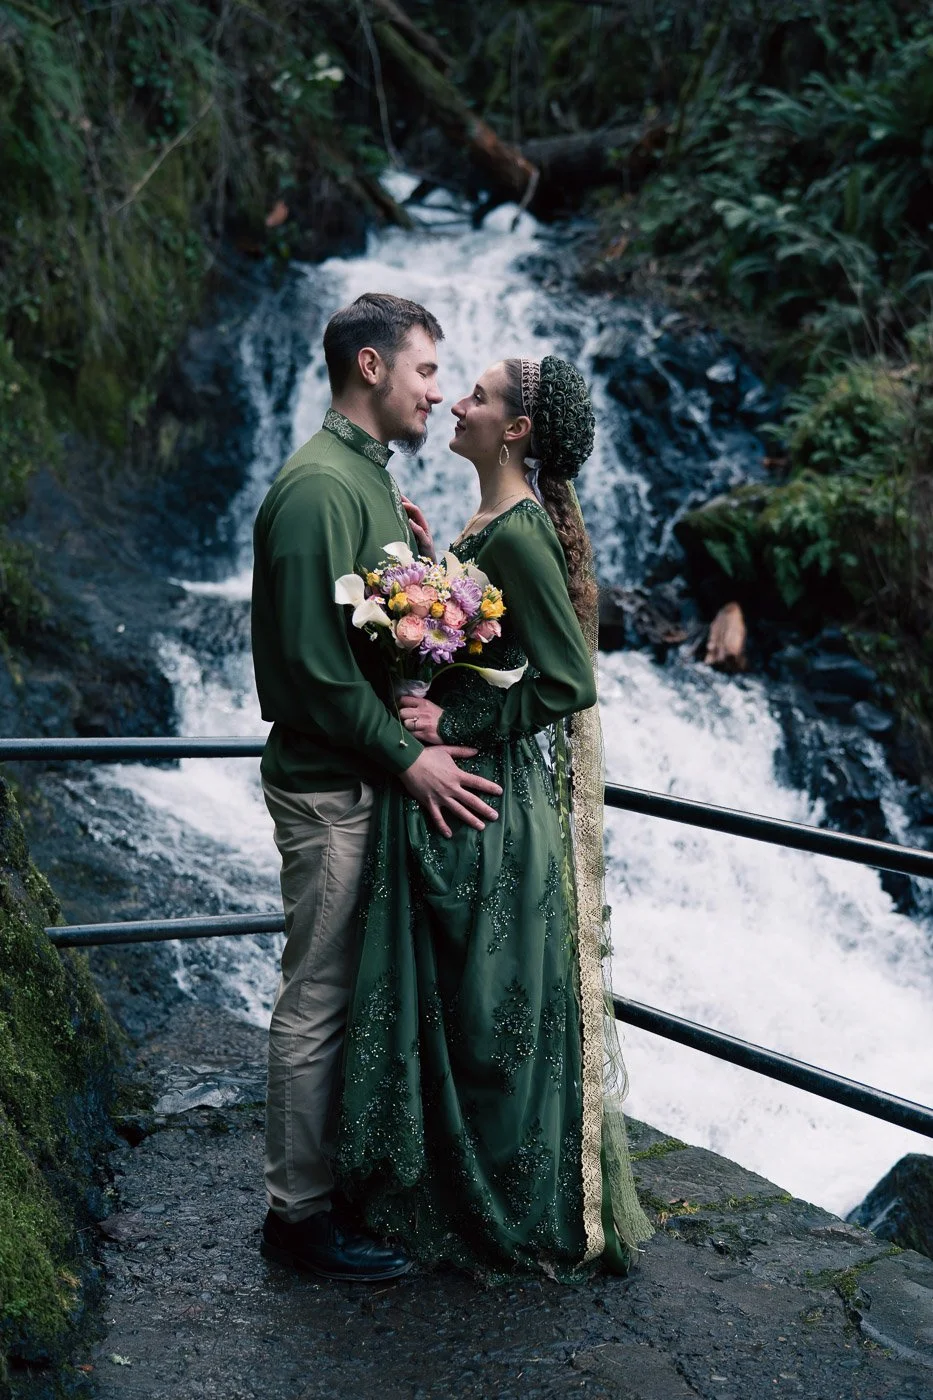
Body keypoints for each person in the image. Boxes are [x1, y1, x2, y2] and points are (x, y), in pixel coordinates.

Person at [334, 355, 654, 1276]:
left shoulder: (516, 533)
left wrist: (454, 715)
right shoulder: (490, 523)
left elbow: (566, 678)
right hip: (465, 792)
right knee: (462, 998)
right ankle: (452, 1183)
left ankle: (504, 1201)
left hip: (487, 800)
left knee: (484, 1008)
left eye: (474, 397)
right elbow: (489, 637)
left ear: (513, 430)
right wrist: (434, 567)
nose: (455, 405)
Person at [250, 292, 503, 1282]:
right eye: (427, 371)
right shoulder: (319, 487)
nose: (439, 394)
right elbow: (314, 670)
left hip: (361, 782)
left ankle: (339, 1187)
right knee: (315, 1000)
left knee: (353, 994)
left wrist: (423, 557)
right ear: (369, 367)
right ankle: (296, 1218)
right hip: (330, 787)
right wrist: (408, 757)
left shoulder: (363, 481)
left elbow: (378, 634)